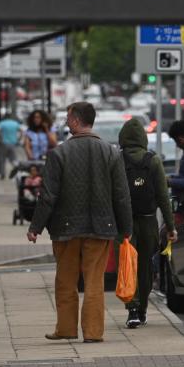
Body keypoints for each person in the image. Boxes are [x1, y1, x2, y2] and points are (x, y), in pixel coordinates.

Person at [27, 102, 133, 343]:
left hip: (66, 230)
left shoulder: (59, 154)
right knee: (94, 282)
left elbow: (48, 196)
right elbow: (121, 194)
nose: (66, 121)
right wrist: (126, 229)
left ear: (76, 121)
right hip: (101, 228)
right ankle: (93, 332)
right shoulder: (111, 153)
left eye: (67, 117)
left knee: (65, 280)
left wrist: (35, 227)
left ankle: (66, 328)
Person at [117, 118, 176, 329]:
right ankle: (141, 309)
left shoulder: (117, 159)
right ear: (143, 138)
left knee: (127, 263)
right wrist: (170, 226)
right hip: (149, 221)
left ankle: (131, 309)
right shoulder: (153, 161)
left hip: (125, 223)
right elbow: (163, 197)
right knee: (145, 267)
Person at [0, 111, 23, 178]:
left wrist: (0, 137)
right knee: (13, 158)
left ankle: (2, 174)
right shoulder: (15, 123)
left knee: (2, 159)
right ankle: (16, 170)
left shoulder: (2, 123)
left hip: (4, 143)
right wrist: (19, 138)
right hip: (13, 143)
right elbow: (21, 130)